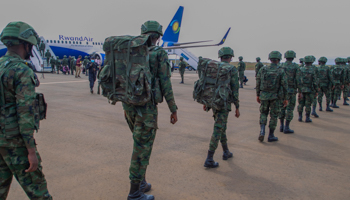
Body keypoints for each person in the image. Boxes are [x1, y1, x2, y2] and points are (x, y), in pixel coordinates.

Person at [123, 20, 178, 200]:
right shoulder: (158, 53)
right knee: (142, 149)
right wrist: (173, 108)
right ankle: (134, 193)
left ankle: (141, 183)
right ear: (157, 37)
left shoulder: (130, 50)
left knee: (140, 145)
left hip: (129, 106)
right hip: (146, 108)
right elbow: (165, 82)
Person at [0, 21, 52, 200]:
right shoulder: (21, 71)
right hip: (15, 143)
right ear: (25, 44)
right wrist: (30, 150)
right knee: (40, 194)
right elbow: (25, 114)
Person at [202, 47, 240, 168]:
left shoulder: (214, 67)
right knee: (218, 128)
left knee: (221, 126)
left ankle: (226, 151)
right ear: (231, 57)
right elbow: (235, 89)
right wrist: (237, 106)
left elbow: (208, 84)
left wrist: (206, 102)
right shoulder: (232, 69)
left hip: (213, 101)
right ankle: (209, 158)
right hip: (223, 103)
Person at [256, 51, 288, 142]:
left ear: (270, 59)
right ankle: (271, 135)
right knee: (274, 116)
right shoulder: (281, 70)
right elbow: (285, 85)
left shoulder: (263, 69)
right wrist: (286, 98)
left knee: (263, 113)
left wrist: (258, 95)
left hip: (264, 96)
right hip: (275, 97)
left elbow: (258, 82)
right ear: (279, 59)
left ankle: (262, 131)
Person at [278, 50, 299, 134]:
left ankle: (281, 126)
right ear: (293, 57)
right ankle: (287, 127)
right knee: (290, 109)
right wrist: (299, 91)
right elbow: (298, 79)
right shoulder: (296, 67)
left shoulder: (281, 65)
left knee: (282, 107)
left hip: (282, 91)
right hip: (291, 90)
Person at [296, 56, 318, 123]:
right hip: (310, 90)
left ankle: (300, 117)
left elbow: (298, 80)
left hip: (302, 89)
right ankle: (307, 118)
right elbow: (315, 82)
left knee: (301, 104)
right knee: (308, 104)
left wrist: (299, 90)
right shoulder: (313, 70)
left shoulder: (300, 69)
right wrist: (316, 90)